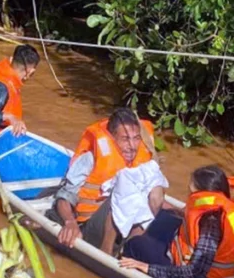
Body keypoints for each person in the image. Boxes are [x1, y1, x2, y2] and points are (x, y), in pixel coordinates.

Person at [119, 165, 234, 278]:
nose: (189, 197)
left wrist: (146, 268)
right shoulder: (223, 211)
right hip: (197, 270)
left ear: (204, 195)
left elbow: (193, 274)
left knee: (135, 244)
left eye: (191, 193)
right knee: (168, 216)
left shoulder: (211, 224)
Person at [53, 108, 157, 253]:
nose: (132, 146)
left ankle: (130, 248)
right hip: (91, 226)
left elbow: (152, 196)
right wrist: (70, 222)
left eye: (136, 138)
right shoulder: (90, 158)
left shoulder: (142, 161)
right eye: (125, 139)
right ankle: (106, 254)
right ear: (112, 138)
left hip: (124, 227)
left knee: (156, 192)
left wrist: (178, 211)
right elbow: (64, 196)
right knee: (124, 191)